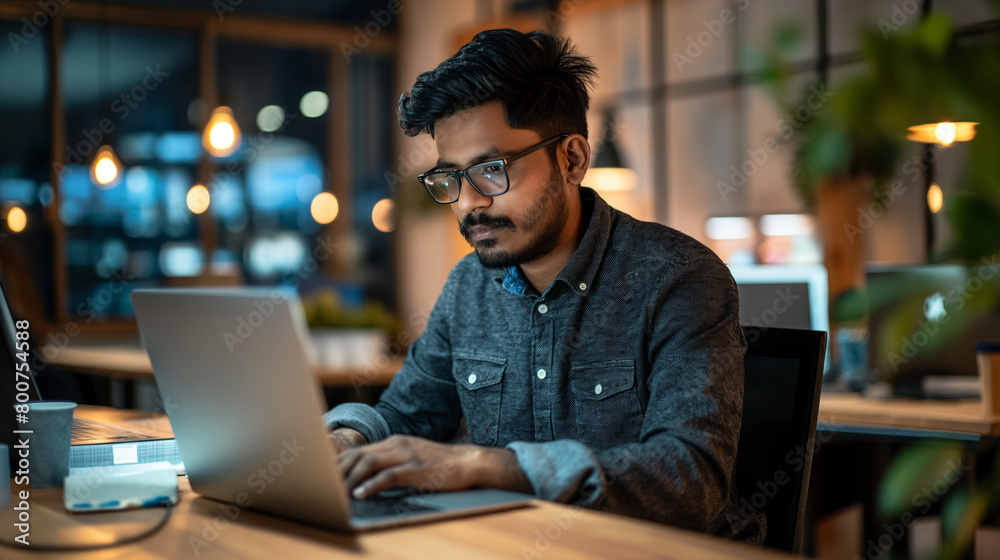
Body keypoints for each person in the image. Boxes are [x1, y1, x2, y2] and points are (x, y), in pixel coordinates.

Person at [325, 28, 763, 544]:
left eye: (491, 170)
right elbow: (406, 414)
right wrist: (345, 439)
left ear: (572, 159)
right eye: (450, 178)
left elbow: (691, 480)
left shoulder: (680, 279)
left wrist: (488, 467)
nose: (468, 203)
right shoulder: (469, 284)